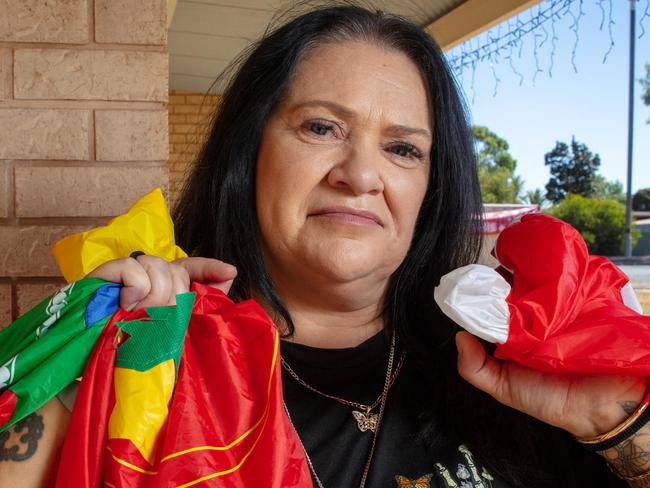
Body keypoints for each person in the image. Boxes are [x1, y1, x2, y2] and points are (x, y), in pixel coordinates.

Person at [1, 4, 647, 487]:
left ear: (431, 184)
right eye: (321, 126)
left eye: (402, 148)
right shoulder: (153, 360)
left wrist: (616, 419)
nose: (361, 175)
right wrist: (73, 364)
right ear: (248, 154)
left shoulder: (507, 367)